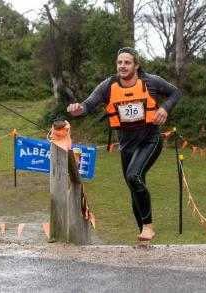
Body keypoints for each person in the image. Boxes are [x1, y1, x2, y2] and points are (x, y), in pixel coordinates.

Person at [67, 47, 181, 242]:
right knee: (134, 186)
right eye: (119, 62)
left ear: (136, 65)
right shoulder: (108, 86)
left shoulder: (151, 82)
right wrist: (77, 109)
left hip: (150, 140)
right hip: (127, 146)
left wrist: (164, 108)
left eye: (127, 62)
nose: (122, 66)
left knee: (133, 175)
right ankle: (144, 234)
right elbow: (88, 105)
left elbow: (175, 93)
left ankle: (148, 227)